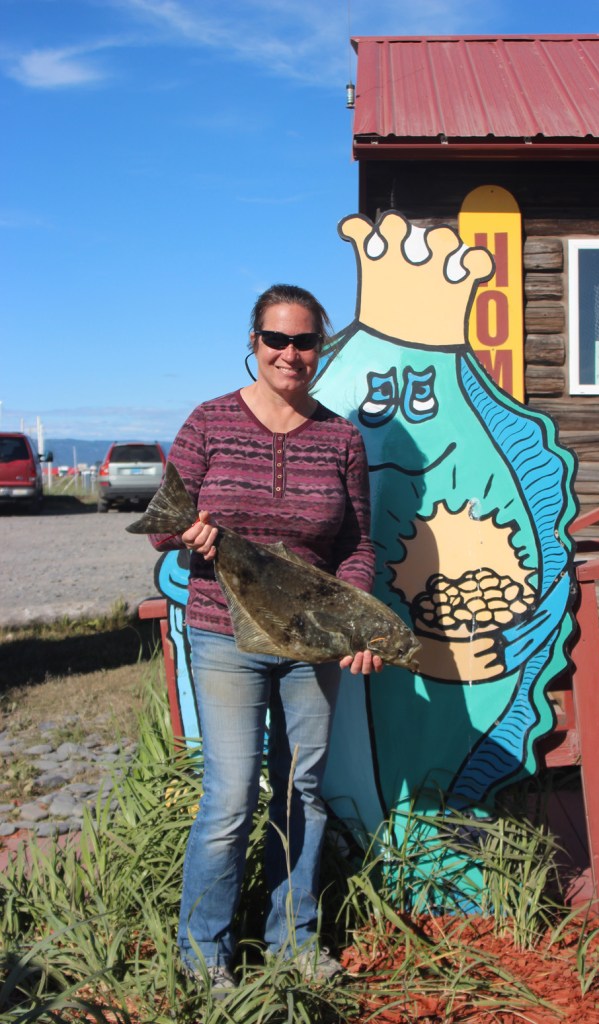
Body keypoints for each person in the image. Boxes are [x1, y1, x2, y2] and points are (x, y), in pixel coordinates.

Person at [151, 284, 382, 999]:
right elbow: (162, 522)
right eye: (276, 339)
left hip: (313, 644)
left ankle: (294, 943)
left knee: (301, 792)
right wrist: (187, 533)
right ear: (253, 343)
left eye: (304, 341)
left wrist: (355, 620)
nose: (290, 353)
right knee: (228, 799)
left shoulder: (341, 439)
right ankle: (203, 955)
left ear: (320, 348)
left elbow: (356, 546)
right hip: (224, 634)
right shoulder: (209, 421)